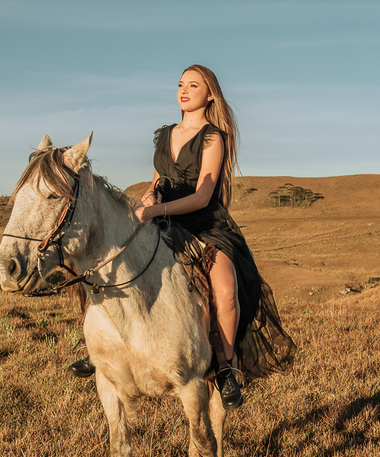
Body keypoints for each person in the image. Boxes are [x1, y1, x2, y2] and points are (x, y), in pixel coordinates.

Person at [68, 64, 294, 407]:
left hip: (204, 224)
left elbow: (203, 196)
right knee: (109, 261)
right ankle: (98, 349)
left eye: (193, 85)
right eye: (180, 85)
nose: (184, 91)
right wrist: (150, 196)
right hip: (161, 218)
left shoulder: (213, 138)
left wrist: (156, 211)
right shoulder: (165, 135)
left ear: (210, 95)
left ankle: (225, 368)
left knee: (225, 291)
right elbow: (157, 179)